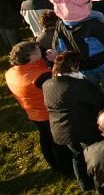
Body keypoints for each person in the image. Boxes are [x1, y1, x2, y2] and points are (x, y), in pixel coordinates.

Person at [42, 52, 104, 191]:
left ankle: (84, 184)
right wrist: (84, 81)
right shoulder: (78, 85)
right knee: (94, 158)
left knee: (77, 156)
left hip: (61, 131)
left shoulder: (48, 84)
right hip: (84, 129)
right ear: (72, 68)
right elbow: (99, 99)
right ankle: (100, 187)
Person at [5, 41, 70, 175]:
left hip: (33, 112)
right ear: (30, 57)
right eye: (38, 50)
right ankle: (65, 168)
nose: (41, 50)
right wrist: (55, 62)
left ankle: (52, 163)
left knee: (45, 137)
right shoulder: (40, 77)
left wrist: (44, 59)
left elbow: (34, 70)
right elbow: (59, 82)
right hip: (47, 112)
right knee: (58, 141)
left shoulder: (12, 71)